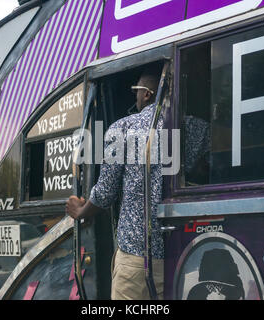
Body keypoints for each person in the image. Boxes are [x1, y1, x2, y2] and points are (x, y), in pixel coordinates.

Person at [65, 66, 165, 300]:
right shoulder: (191, 127)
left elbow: (106, 192)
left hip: (137, 258)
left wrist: (81, 210)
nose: (135, 96)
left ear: (147, 94)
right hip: (180, 254)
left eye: (136, 91)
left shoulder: (125, 128)